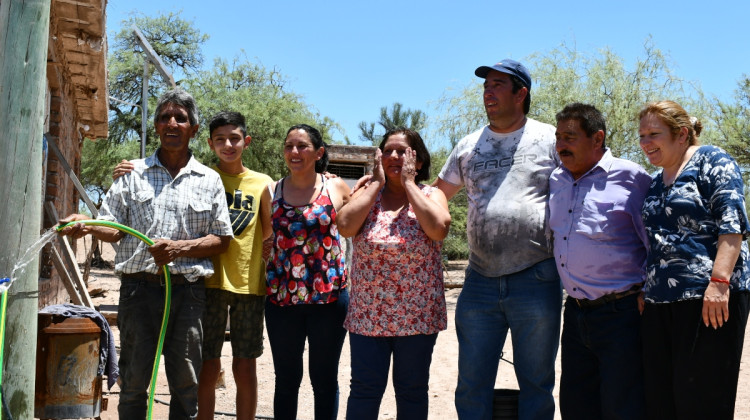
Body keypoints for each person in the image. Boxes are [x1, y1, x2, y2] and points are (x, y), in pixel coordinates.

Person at [59, 88, 233, 419]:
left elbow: (222, 239)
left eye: (180, 118)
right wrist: (86, 223)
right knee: (135, 381)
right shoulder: (132, 173)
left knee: (186, 384)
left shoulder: (209, 180)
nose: (172, 123)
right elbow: (113, 229)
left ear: (193, 129)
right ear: (155, 126)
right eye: (165, 117)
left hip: (188, 293)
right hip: (138, 291)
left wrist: (180, 248)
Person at [112, 112, 274, 420]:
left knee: (245, 363)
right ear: (210, 143)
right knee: (206, 365)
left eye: (235, 139)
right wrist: (126, 170)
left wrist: (324, 176)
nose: (228, 145)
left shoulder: (262, 183)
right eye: (220, 139)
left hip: (249, 285)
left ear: (246, 142)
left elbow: (268, 232)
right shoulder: (202, 177)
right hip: (207, 286)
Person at [436, 59, 562, 419]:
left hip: (536, 277)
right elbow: (439, 195)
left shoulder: (548, 139)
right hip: (479, 282)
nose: (488, 92)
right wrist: (397, 191)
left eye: (497, 85)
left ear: (521, 93)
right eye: (486, 86)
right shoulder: (468, 145)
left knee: (537, 383)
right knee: (471, 383)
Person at [638, 100, 750, 419]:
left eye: (653, 134)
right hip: (661, 303)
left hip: (709, 300)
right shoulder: (658, 181)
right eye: (642, 135)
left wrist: (718, 283)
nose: (645, 142)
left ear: (682, 134)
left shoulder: (712, 161)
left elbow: (732, 225)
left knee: (702, 401)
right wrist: (647, 288)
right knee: (662, 402)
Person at [337, 128, 451, 419]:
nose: (394, 156)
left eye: (403, 151)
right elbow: (345, 226)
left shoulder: (431, 194)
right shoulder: (366, 192)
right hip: (369, 316)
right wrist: (376, 184)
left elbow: (438, 230)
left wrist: (409, 184)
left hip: (417, 317)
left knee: (412, 390)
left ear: (419, 160)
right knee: (364, 389)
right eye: (388, 151)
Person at [549, 103, 650, 419]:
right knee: (577, 406)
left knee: (623, 406)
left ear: (597, 139)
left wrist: (650, 290)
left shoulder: (632, 178)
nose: (561, 144)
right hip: (576, 314)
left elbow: (655, 242)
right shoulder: (556, 179)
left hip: (622, 314)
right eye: (558, 137)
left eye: (570, 136)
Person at [265, 123, 351, 420]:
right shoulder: (272, 190)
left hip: (328, 300)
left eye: (302, 146)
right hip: (281, 300)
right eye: (289, 146)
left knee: (324, 381)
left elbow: (356, 226)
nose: (294, 152)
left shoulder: (336, 187)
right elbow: (266, 240)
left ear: (319, 153)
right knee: (286, 381)